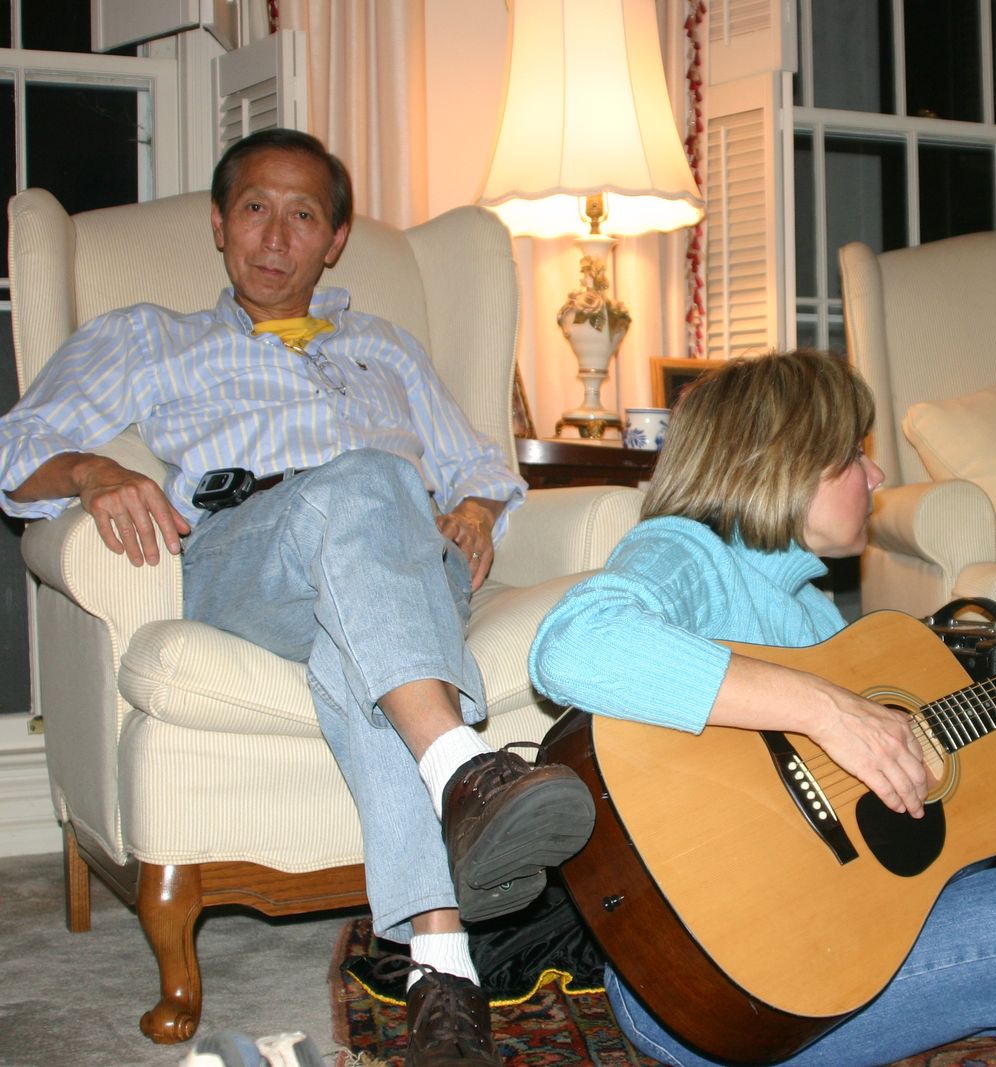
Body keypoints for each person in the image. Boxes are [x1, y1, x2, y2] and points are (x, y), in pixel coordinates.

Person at [0, 129, 593, 1067]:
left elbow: (481, 463)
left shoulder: (387, 347)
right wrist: (91, 469)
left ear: (336, 238)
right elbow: (14, 448)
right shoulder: (153, 335)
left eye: (303, 215)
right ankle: (461, 766)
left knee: (359, 638)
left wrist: (479, 506)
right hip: (249, 557)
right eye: (255, 209)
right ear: (219, 223)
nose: (275, 237)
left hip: (401, 562)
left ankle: (444, 979)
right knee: (370, 480)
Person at [528, 350, 996, 1066]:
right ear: (781, 463)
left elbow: (971, 796)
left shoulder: (819, 621)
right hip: (704, 994)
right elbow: (573, 643)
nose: (875, 474)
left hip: (814, 967)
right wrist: (827, 710)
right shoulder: (689, 552)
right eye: (850, 456)